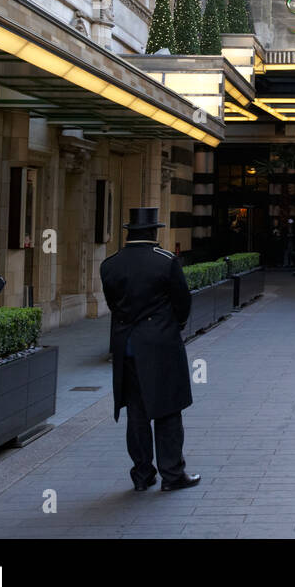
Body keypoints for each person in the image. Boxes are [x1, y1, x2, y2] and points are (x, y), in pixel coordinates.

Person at [100, 208, 200, 493]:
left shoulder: (110, 264)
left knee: (136, 412)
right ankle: (172, 474)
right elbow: (182, 302)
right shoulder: (166, 261)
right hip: (160, 345)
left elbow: (113, 304)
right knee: (168, 410)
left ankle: (142, 475)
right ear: (153, 232)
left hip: (126, 346)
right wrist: (172, 325)